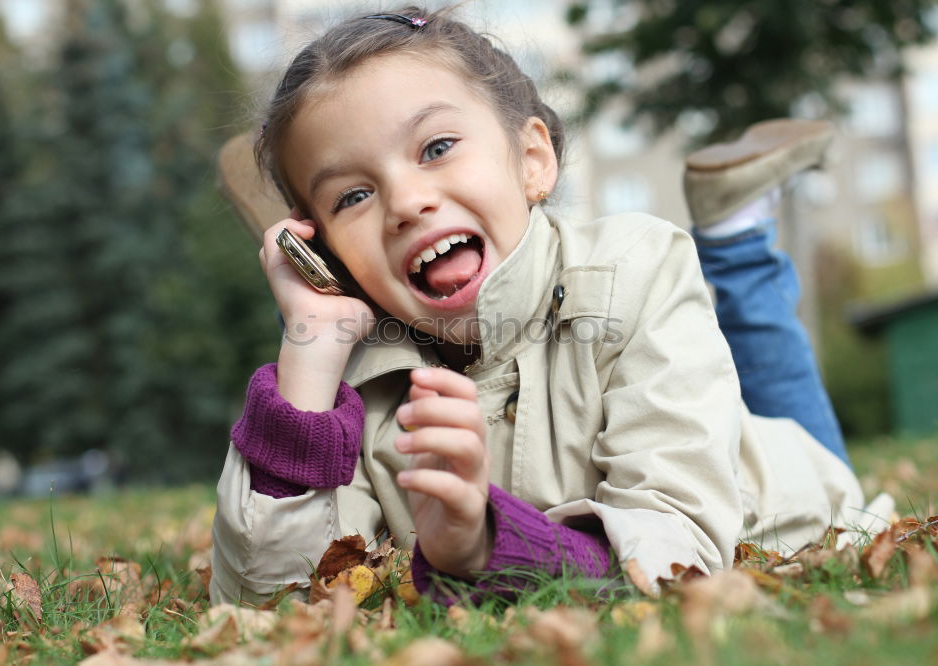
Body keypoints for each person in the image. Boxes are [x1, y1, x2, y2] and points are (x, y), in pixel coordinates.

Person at [209, 7, 891, 606]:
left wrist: (483, 547)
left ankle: (737, 240)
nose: (407, 202)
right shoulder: (352, 382)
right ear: (324, 253)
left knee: (790, 431)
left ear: (533, 158)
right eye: (352, 196)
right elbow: (274, 599)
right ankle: (735, 228)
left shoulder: (637, 267)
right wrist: (308, 350)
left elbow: (678, 553)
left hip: (782, 496)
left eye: (437, 148)